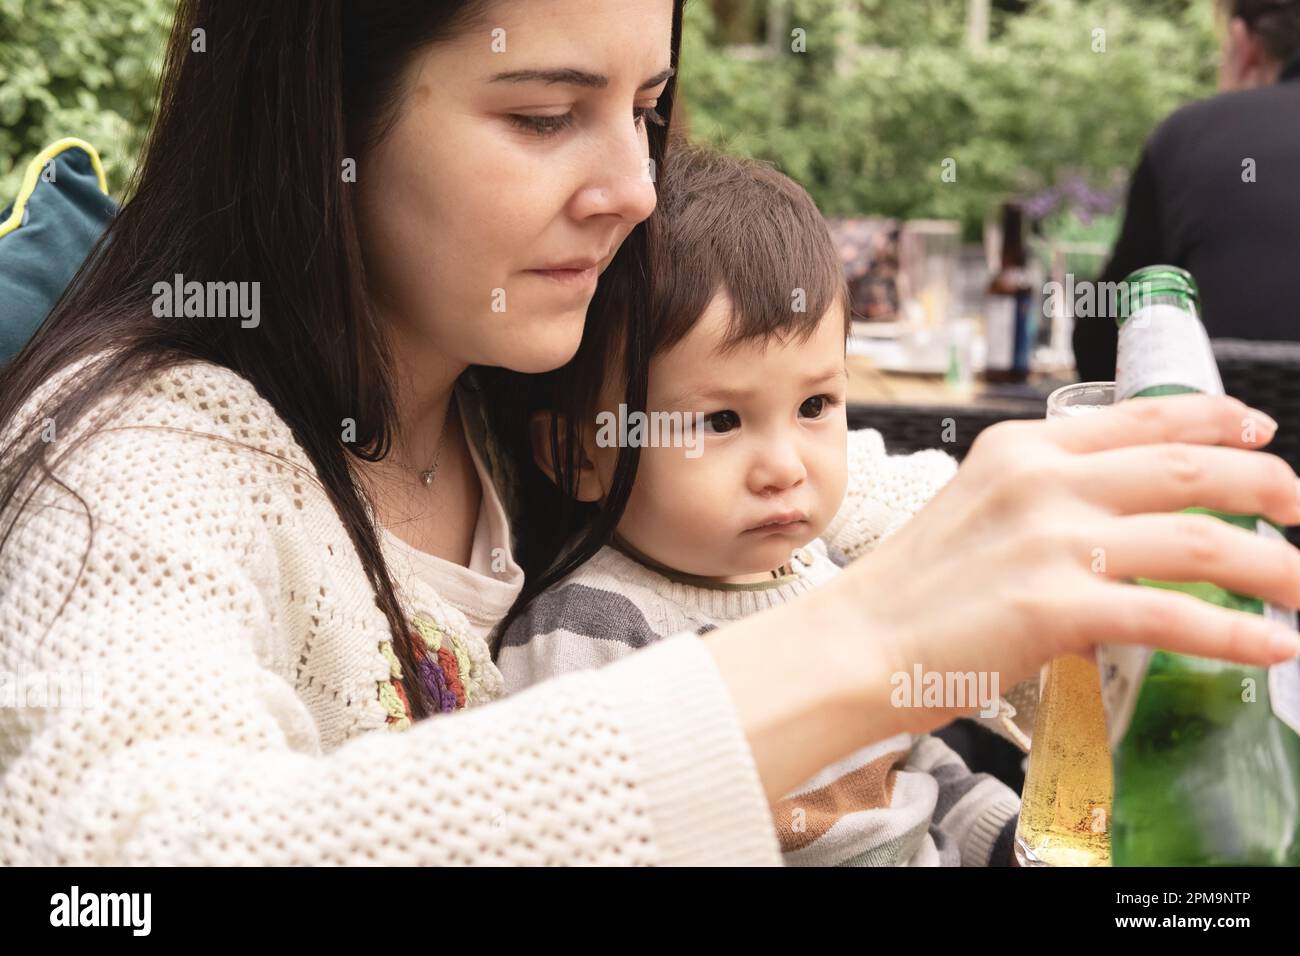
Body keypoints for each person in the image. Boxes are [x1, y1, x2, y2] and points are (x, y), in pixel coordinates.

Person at [1, 1, 1297, 867]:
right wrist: (863, 648)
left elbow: (868, 502)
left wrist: (1116, 606)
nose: (634, 188)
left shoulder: (533, 403)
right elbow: (101, 854)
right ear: (321, 121)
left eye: (649, 106)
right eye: (544, 115)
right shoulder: (157, 456)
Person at [497, 144, 1022, 866]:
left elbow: (910, 767)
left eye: (815, 404)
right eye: (719, 422)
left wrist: (1010, 836)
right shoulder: (590, 635)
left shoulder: (827, 578)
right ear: (577, 455)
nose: (784, 467)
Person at [1073, 0, 1300, 382]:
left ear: (1242, 42)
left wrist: (1233, 108)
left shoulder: (1194, 135)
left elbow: (1102, 340)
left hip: (1228, 438)